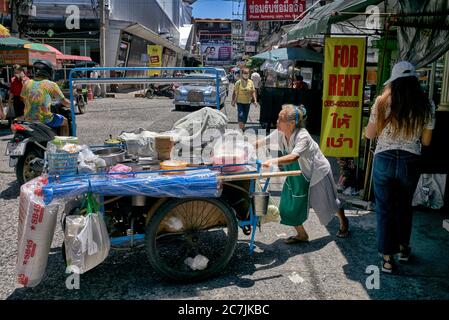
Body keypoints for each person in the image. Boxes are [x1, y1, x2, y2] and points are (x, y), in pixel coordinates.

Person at [365, 61, 434, 274]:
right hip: (410, 161)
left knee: (384, 208)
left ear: (393, 81)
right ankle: (403, 248)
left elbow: (369, 134)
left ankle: (387, 258)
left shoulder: (381, 102)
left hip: (384, 159)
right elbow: (426, 142)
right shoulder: (427, 105)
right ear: (414, 80)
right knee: (404, 206)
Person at [256, 104, 350, 242]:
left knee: (328, 203)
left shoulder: (302, 136)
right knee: (287, 206)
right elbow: (262, 141)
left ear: (292, 123)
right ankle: (302, 235)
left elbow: (294, 157)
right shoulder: (280, 132)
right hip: (296, 174)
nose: (277, 122)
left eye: (280, 119)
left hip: (317, 173)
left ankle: (343, 220)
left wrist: (271, 161)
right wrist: (242, 146)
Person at [19, 60, 71, 136]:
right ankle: (63, 145)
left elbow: (23, 99)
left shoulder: (27, 83)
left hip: (28, 119)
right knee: (65, 121)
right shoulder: (51, 84)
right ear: (49, 72)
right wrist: (72, 104)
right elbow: (65, 102)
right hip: (46, 120)